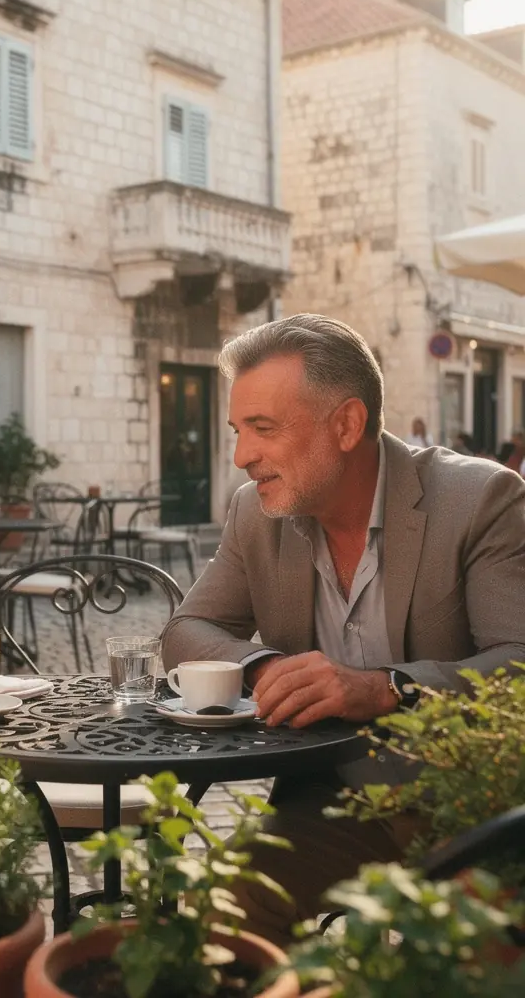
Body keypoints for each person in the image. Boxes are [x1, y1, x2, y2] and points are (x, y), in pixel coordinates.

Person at [161, 313, 525, 947]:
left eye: (263, 429)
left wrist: (386, 690)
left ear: (347, 424)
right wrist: (263, 668)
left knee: (453, 968)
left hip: (476, 808)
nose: (243, 456)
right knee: (218, 914)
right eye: (238, 431)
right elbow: (188, 628)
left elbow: (519, 666)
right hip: (337, 803)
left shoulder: (479, 500)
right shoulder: (257, 510)